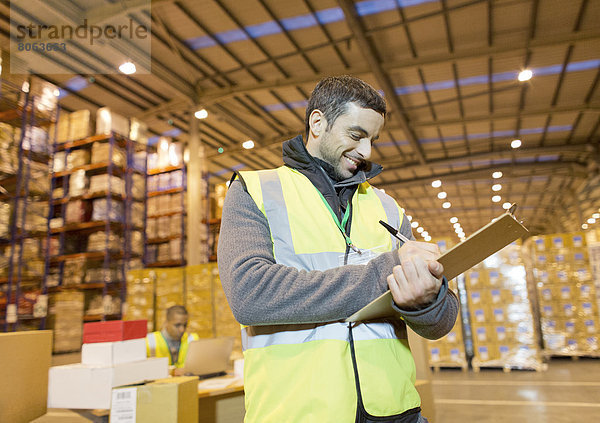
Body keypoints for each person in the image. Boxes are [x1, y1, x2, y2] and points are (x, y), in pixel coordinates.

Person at [217, 75, 459, 423]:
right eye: (356, 135)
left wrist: (426, 301)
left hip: (395, 410)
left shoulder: (387, 207)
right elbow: (250, 295)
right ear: (318, 123)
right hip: (300, 413)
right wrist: (386, 273)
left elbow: (441, 322)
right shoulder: (255, 191)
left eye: (373, 140)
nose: (367, 152)